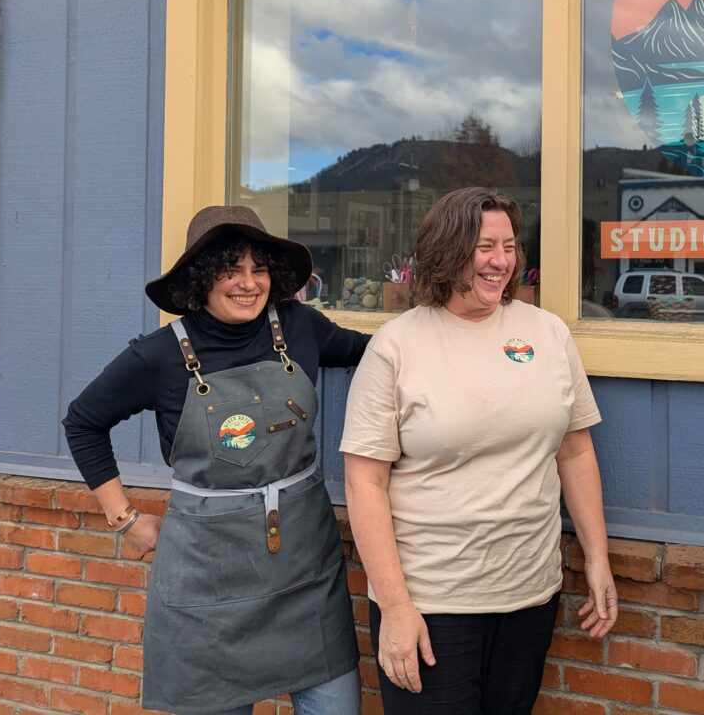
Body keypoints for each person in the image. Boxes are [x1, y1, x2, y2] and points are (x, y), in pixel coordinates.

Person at [63, 205, 367, 715]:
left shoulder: (299, 326)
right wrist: (125, 519)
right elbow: (83, 422)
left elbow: (373, 351)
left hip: (306, 571)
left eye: (258, 268)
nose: (248, 283)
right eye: (230, 269)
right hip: (208, 581)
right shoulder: (157, 356)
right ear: (200, 279)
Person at [341, 186, 617, 714]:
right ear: (448, 250)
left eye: (510, 246)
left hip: (529, 593)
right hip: (433, 603)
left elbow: (575, 452)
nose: (501, 261)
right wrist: (396, 607)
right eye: (485, 246)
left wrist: (598, 559)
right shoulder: (396, 346)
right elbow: (364, 483)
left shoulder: (549, 333)